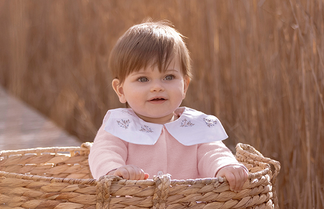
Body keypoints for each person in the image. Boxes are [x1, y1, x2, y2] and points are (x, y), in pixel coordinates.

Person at [88, 21, 250, 191]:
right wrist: (114, 171)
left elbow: (213, 153)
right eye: (143, 79)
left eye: (169, 77)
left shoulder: (196, 126)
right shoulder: (119, 126)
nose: (157, 87)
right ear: (121, 90)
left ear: (185, 85)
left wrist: (225, 167)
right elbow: (104, 152)